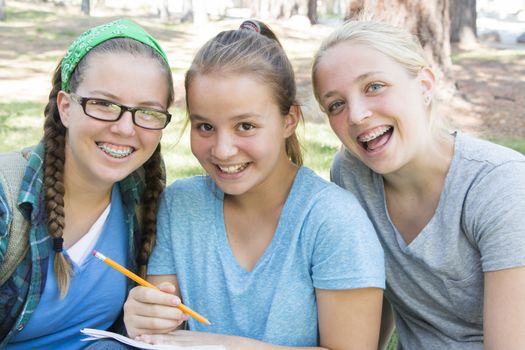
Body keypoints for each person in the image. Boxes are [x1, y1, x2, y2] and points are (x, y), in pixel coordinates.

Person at [123, 20, 385, 349]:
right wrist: (145, 318)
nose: (222, 149)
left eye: (245, 126)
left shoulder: (332, 220)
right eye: (205, 126)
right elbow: (164, 335)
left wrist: (221, 344)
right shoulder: (180, 205)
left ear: (289, 119)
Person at [311, 19, 525, 349]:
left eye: (374, 86)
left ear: (424, 85)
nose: (356, 115)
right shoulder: (351, 173)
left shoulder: (499, 185)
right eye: (336, 104)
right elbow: (372, 291)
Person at [0, 18, 174, 349]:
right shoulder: (6, 203)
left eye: (148, 112)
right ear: (66, 107)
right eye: (104, 104)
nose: (125, 129)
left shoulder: (144, 200)